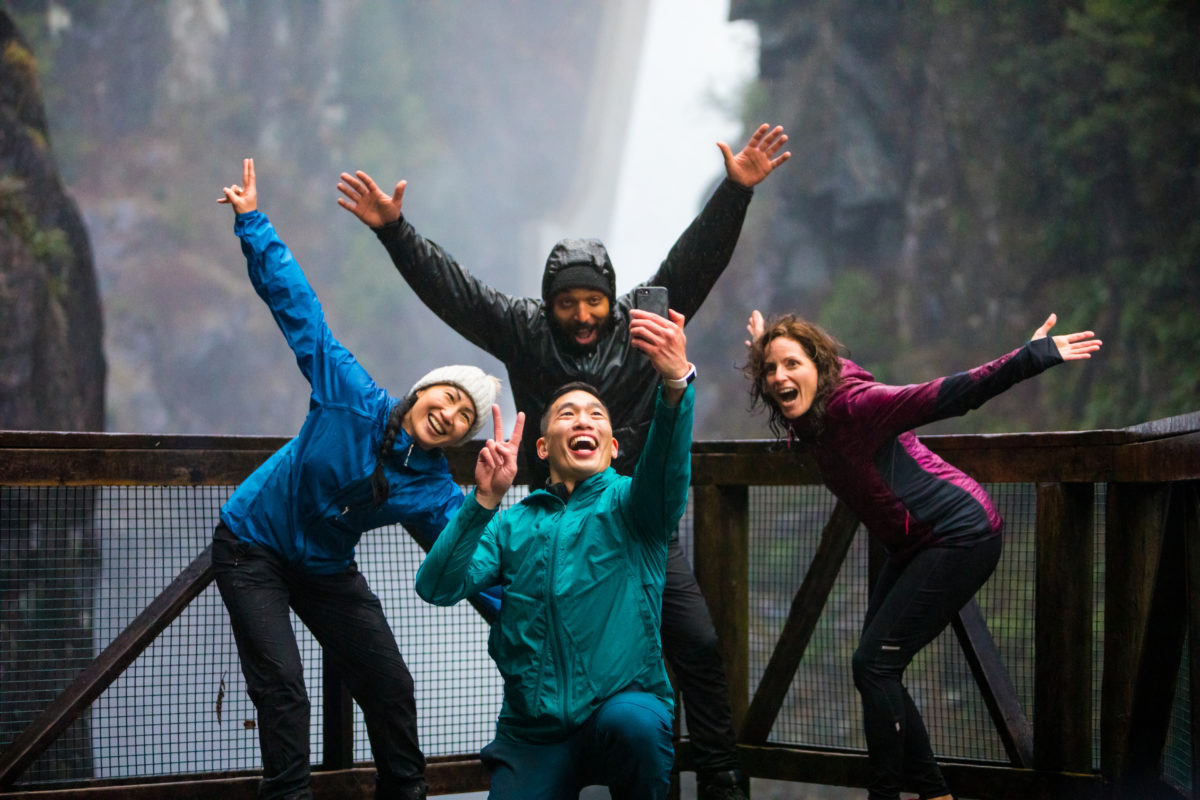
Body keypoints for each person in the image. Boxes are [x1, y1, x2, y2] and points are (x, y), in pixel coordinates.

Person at [337, 123, 792, 800]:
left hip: (633, 524)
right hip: (550, 523)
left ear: (612, 300)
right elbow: (457, 294)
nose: (582, 315)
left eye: (593, 301)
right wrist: (395, 231)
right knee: (544, 633)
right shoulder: (524, 330)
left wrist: (736, 191)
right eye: (567, 303)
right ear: (548, 304)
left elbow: (693, 264)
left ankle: (720, 774)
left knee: (694, 642)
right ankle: (552, 745)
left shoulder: (641, 322)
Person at [213, 158, 502, 800]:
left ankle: (406, 795)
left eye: (462, 419)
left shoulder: (428, 486)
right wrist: (253, 223)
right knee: (284, 690)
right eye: (447, 399)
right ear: (422, 391)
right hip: (251, 544)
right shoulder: (351, 397)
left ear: (459, 438)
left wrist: (530, 624)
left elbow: (469, 562)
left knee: (390, 685)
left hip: (322, 568)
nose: (450, 416)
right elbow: (300, 313)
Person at [742, 310, 1102, 800]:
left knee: (874, 665)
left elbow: (950, 394)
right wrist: (766, 343)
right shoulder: (809, 415)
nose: (780, 376)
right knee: (873, 667)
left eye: (792, 363)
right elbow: (787, 372)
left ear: (821, 367)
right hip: (914, 542)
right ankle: (935, 793)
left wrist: (1030, 358)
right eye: (770, 369)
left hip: (960, 533)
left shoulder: (855, 405)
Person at [415, 305, 695, 800]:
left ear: (611, 448)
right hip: (533, 730)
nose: (582, 420)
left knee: (635, 728)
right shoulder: (512, 523)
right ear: (543, 449)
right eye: (568, 414)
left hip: (623, 703)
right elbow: (436, 586)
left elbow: (667, 464)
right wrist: (483, 501)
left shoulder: (635, 505)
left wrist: (676, 385)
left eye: (596, 416)